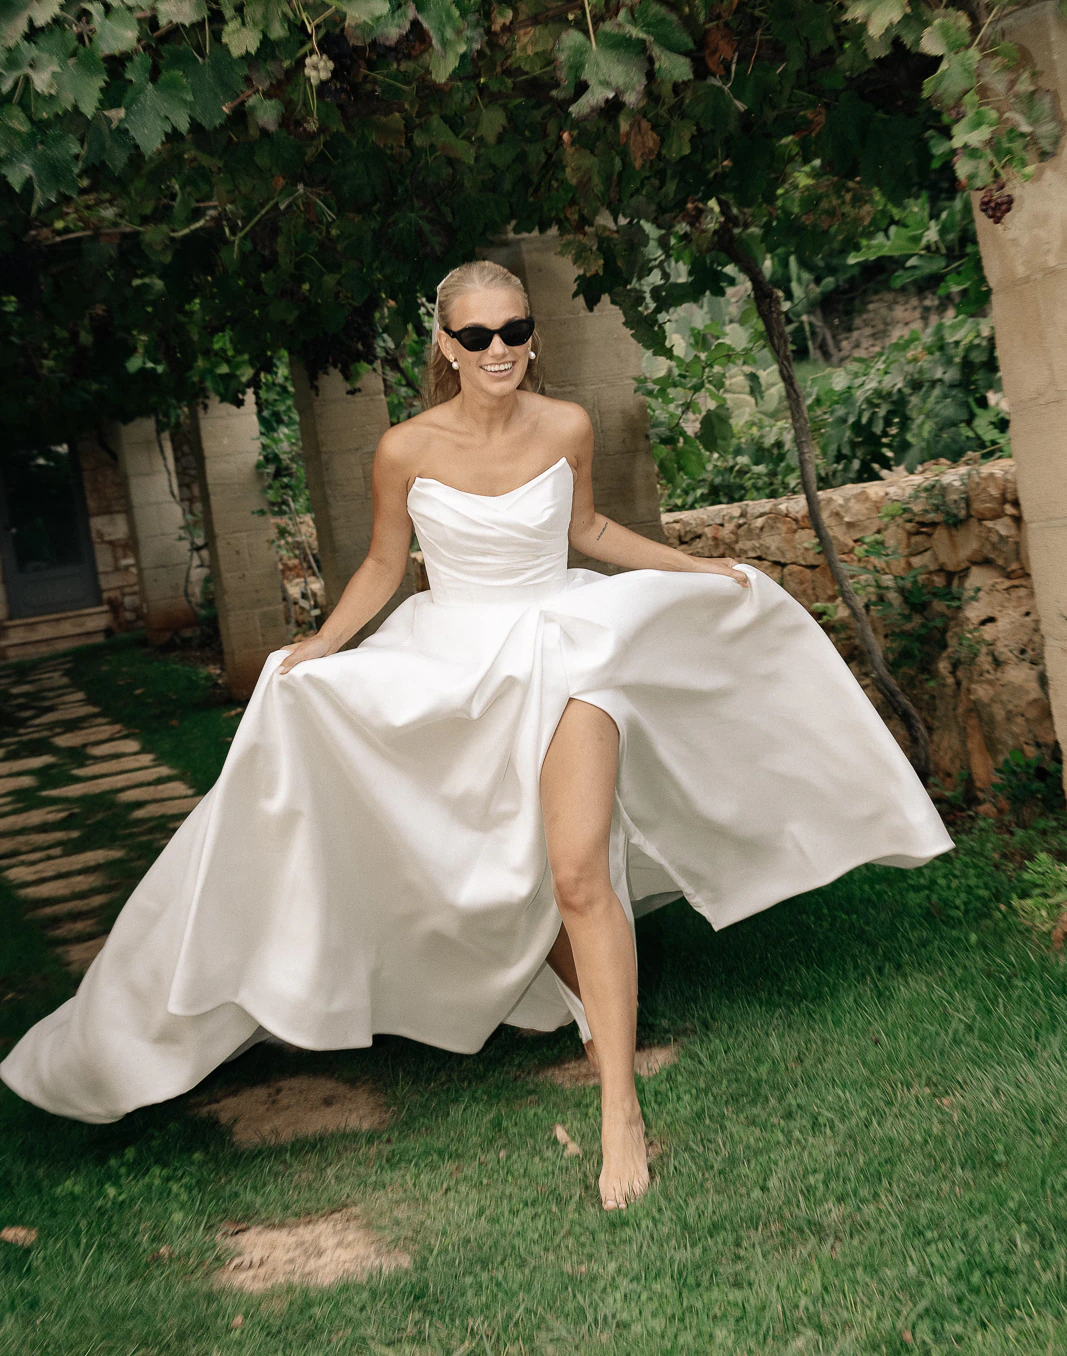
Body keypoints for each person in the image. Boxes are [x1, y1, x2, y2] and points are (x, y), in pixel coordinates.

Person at [0, 259, 954, 1211]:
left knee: (578, 866)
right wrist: (322, 645)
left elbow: (588, 530)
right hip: (452, 657)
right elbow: (383, 564)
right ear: (444, 346)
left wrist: (697, 566)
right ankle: (540, 980)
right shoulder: (403, 448)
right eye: (475, 336)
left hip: (570, 645)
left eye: (512, 331)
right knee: (496, 860)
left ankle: (618, 1104)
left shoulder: (568, 425)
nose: (497, 351)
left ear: (531, 335)